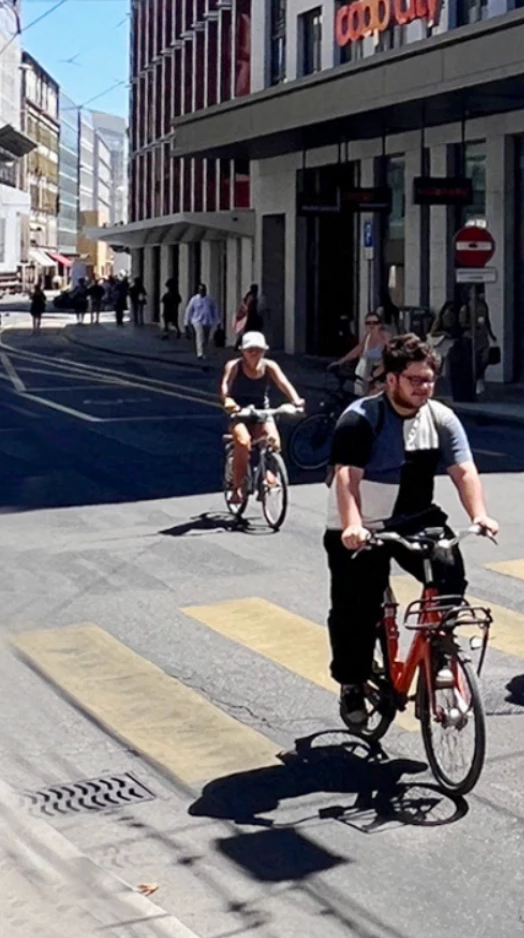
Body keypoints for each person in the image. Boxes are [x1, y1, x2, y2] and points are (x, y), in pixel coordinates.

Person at [325, 335, 499, 733]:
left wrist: (480, 515)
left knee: (449, 571)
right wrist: (353, 525)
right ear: (391, 380)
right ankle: (352, 683)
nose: (424, 387)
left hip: (414, 516)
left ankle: (438, 655)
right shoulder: (360, 418)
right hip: (363, 521)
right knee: (356, 609)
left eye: (429, 379)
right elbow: (347, 477)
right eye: (415, 380)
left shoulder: (440, 418)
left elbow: (463, 470)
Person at [219, 332, 304, 505]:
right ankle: (237, 487)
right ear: (242, 350)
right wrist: (228, 400)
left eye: (258, 349)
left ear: (264, 350)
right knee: (243, 442)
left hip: (261, 411)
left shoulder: (269, 366)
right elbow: (225, 386)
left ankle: (269, 477)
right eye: (250, 349)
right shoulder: (234, 366)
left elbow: (284, 383)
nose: (254, 353)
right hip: (239, 412)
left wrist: (296, 400)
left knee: (273, 441)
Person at [332, 309, 391, 398]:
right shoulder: (367, 336)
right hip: (361, 376)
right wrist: (341, 361)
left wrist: (373, 376)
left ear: (380, 325)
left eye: (375, 323)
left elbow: (389, 361)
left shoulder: (386, 338)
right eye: (368, 323)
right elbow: (358, 350)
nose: (371, 326)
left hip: (376, 379)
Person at [184, 284, 218, 359]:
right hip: (197, 321)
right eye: (201, 290)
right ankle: (200, 353)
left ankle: (204, 352)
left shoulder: (210, 299)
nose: (202, 291)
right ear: (198, 291)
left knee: (206, 337)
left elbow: (214, 310)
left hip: (207, 321)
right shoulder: (194, 299)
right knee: (200, 335)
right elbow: (189, 310)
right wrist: (186, 321)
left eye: (203, 290)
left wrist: (217, 321)